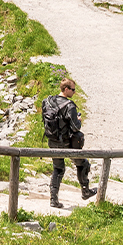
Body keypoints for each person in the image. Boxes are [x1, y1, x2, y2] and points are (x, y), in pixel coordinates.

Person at [41, 78, 96, 206]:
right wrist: (78, 119)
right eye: (73, 89)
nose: (74, 92)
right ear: (66, 89)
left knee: (58, 169)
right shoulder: (69, 106)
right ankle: (85, 191)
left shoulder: (47, 101)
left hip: (52, 141)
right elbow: (76, 127)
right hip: (67, 143)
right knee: (82, 164)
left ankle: (53, 200)